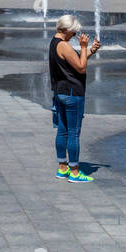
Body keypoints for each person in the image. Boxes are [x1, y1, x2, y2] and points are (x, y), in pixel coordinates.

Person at [49, 14, 100, 183]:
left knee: (62, 131)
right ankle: (75, 172)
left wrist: (91, 50)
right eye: (73, 32)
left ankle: (62, 168)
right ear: (65, 30)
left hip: (60, 92)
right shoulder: (64, 45)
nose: (74, 36)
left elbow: (75, 62)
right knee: (73, 133)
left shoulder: (54, 42)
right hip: (72, 94)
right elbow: (81, 68)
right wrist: (84, 46)